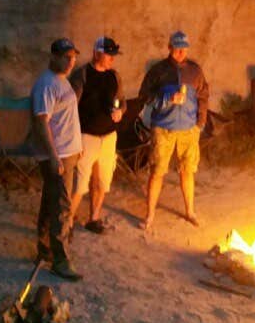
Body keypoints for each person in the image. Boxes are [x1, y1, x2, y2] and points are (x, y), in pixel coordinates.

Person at [138, 30, 209, 231]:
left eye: (183, 48)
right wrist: (167, 99)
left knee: (187, 171)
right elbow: (145, 96)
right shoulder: (158, 70)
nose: (180, 52)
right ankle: (150, 215)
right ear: (169, 47)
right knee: (157, 172)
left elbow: (204, 95)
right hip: (163, 129)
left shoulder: (195, 71)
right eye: (176, 48)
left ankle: (190, 211)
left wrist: (200, 123)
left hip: (188, 131)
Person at [31, 38, 84, 281]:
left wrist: (78, 147)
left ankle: (44, 248)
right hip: (58, 155)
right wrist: (53, 157)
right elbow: (42, 122)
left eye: (73, 56)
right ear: (53, 56)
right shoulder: (46, 84)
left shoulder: (61, 81)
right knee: (62, 206)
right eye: (66, 56)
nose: (71, 61)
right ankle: (60, 260)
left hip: (67, 152)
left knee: (51, 199)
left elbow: (67, 118)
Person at [68, 36, 125, 235]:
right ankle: (67, 221)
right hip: (87, 136)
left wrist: (120, 112)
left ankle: (94, 218)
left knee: (102, 181)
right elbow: (70, 106)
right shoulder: (81, 75)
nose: (112, 59)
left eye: (113, 55)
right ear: (97, 53)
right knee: (81, 183)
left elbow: (121, 101)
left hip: (108, 136)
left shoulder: (114, 76)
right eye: (109, 54)